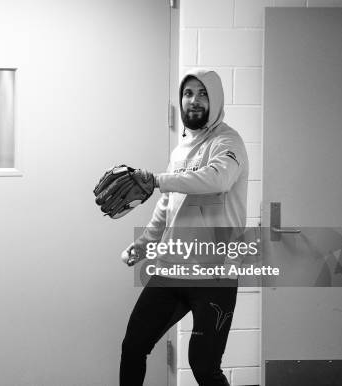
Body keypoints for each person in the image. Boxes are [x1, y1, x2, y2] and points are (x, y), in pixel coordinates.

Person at [119, 69, 248, 386]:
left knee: (203, 365)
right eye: (188, 93)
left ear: (215, 99)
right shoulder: (180, 151)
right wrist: (145, 244)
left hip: (214, 276)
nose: (194, 100)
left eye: (203, 93)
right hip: (171, 270)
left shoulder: (228, 142)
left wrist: (156, 181)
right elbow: (167, 206)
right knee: (133, 347)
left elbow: (217, 178)